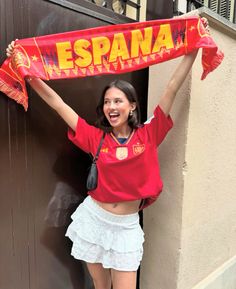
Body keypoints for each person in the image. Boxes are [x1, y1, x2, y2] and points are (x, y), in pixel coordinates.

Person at [6, 19, 207, 288]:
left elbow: (171, 87)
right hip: (95, 220)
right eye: (107, 102)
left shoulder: (149, 133)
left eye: (118, 101)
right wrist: (27, 71)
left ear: (132, 106)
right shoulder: (96, 138)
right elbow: (58, 104)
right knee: (101, 286)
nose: (111, 106)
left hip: (126, 228)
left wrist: (193, 47)